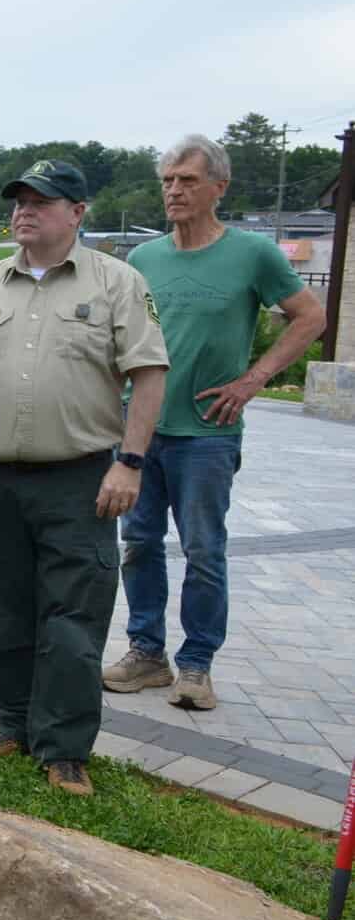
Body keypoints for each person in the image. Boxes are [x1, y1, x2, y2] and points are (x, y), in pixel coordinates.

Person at [0, 160, 168, 796]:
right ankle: (14, 721)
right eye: (19, 201)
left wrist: (131, 462)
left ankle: (64, 748)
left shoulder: (117, 281)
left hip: (79, 478)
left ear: (77, 211)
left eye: (41, 200)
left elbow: (148, 372)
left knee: (71, 617)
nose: (24, 211)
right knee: (1, 608)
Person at [104, 135, 325, 710]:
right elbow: (133, 337)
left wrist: (252, 381)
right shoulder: (145, 258)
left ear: (219, 188)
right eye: (168, 181)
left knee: (204, 550)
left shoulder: (253, 254)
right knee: (139, 544)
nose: (174, 191)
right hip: (140, 431)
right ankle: (146, 653)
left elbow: (311, 317)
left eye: (187, 181)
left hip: (207, 434)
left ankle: (197, 664)